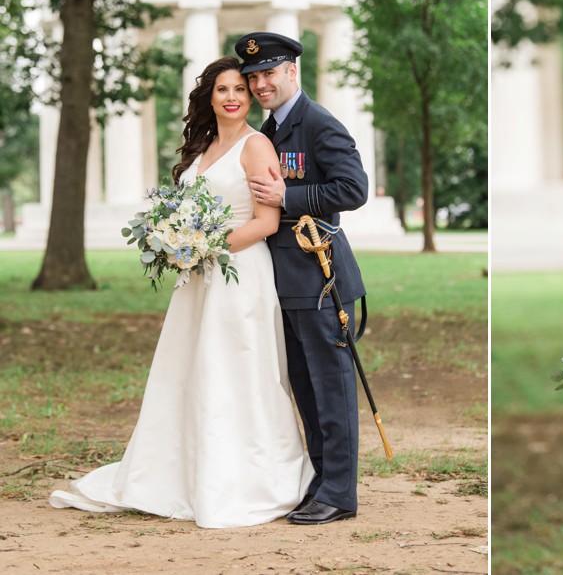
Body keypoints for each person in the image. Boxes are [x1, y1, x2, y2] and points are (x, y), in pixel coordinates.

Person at [50, 56, 313, 528]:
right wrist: (178, 246)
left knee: (236, 372)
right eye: (222, 89)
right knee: (189, 371)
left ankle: (250, 479)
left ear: (250, 96)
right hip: (197, 279)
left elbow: (267, 221)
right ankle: (180, 474)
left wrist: (205, 247)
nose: (232, 96)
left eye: (240, 88)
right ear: (208, 97)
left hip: (238, 274)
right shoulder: (204, 145)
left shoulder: (257, 147)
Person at [237, 32, 368, 525]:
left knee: (331, 388)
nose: (260, 83)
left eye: (269, 73)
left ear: (292, 71)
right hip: (283, 280)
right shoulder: (268, 130)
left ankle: (340, 492)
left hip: (320, 277)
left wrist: (285, 199)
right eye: (254, 77)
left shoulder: (317, 123)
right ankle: (320, 481)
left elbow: (353, 189)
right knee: (306, 388)